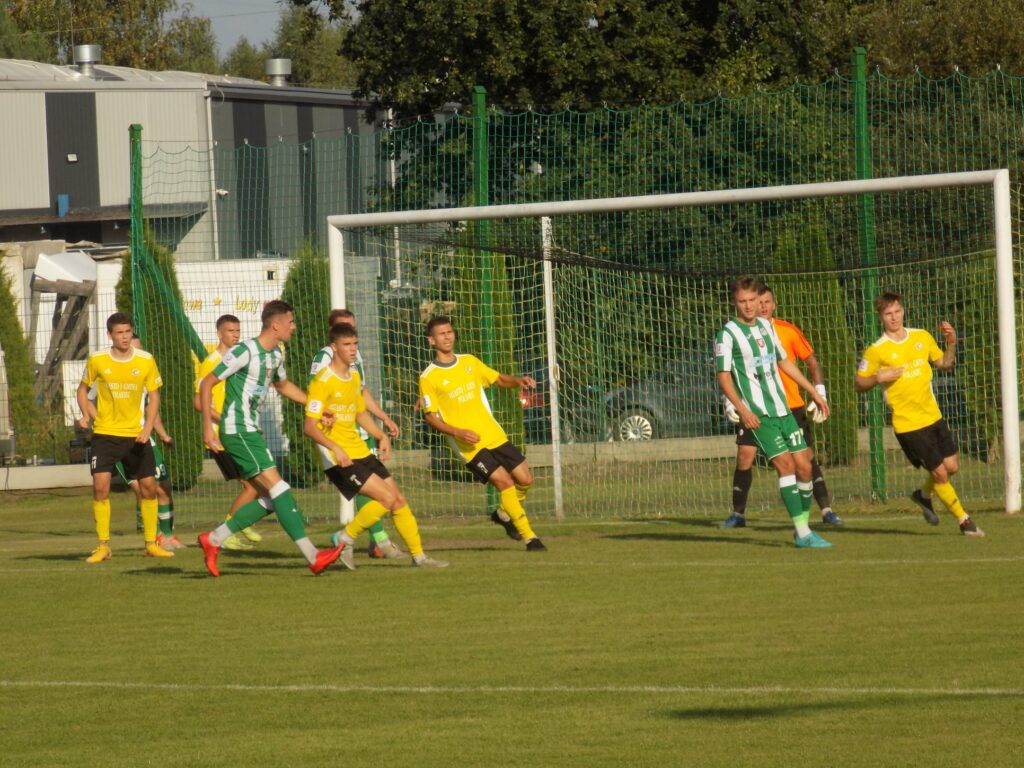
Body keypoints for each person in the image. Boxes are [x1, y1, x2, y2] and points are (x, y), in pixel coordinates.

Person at [195, 300, 344, 576]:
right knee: (280, 489)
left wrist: (317, 406)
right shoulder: (245, 351)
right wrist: (207, 427)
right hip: (237, 429)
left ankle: (213, 539)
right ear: (275, 325)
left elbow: (283, 385)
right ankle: (313, 556)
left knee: (270, 499)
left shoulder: (275, 354)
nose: (293, 326)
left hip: (250, 430)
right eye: (290, 321)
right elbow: (207, 384)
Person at [305, 322, 448, 568]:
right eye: (346, 345)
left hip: (360, 449)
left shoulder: (353, 376)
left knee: (398, 500)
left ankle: (419, 557)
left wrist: (381, 435)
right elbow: (309, 427)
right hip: (340, 457)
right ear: (334, 347)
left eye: (355, 344)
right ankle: (345, 537)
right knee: (387, 499)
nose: (352, 349)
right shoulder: (323, 381)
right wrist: (335, 448)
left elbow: (360, 413)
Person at [715, 276, 833, 548]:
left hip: (784, 410)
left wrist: (813, 391)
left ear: (760, 300)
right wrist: (741, 409)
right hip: (760, 415)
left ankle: (802, 528)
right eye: (742, 301)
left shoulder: (767, 328)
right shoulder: (727, 335)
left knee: (805, 466)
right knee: (786, 465)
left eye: (752, 300)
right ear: (734, 302)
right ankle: (803, 533)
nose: (748, 306)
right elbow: (723, 376)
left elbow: (784, 362)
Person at [855, 291, 983, 536]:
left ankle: (923, 495)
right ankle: (965, 522)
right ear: (881, 317)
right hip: (908, 425)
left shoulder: (921, 336)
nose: (894, 317)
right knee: (940, 473)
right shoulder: (876, 350)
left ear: (903, 310)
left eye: (897, 311)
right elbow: (859, 383)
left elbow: (944, 364)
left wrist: (951, 343)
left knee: (952, 466)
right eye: (888, 314)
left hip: (933, 415)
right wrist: (878, 377)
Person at [419, 316, 546, 551]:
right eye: (441, 334)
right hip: (468, 445)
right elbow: (430, 417)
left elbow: (497, 379)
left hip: (492, 433)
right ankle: (531, 538)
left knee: (525, 480)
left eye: (449, 332)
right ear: (431, 340)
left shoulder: (469, 362)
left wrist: (517, 381)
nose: (447, 337)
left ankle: (503, 513)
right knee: (505, 482)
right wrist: (458, 432)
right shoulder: (428, 377)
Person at [76, 313, 173, 562]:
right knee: (100, 487)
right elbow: (82, 389)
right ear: (110, 335)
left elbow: (154, 397)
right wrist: (86, 414)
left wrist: (148, 428)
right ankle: (103, 546)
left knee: (149, 488)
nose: (125, 337)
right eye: (119, 333)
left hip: (136, 435)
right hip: (105, 434)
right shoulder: (98, 359)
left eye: (128, 331)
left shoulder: (145, 360)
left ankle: (151, 544)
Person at [308, 308, 404, 560]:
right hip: (338, 436)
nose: (350, 336)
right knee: (371, 489)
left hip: (360, 431)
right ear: (333, 335)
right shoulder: (324, 358)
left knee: (385, 492)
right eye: (344, 329)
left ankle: (378, 541)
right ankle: (377, 539)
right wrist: (324, 415)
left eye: (352, 328)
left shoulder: (355, 358)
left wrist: (383, 419)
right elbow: (315, 394)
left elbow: (361, 393)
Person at [193, 314, 261, 551]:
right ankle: (229, 531)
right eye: (231, 331)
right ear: (219, 333)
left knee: (256, 483)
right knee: (253, 486)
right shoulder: (212, 362)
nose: (235, 335)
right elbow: (198, 401)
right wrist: (223, 418)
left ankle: (238, 525)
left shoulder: (238, 360)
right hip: (221, 436)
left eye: (238, 331)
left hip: (238, 432)